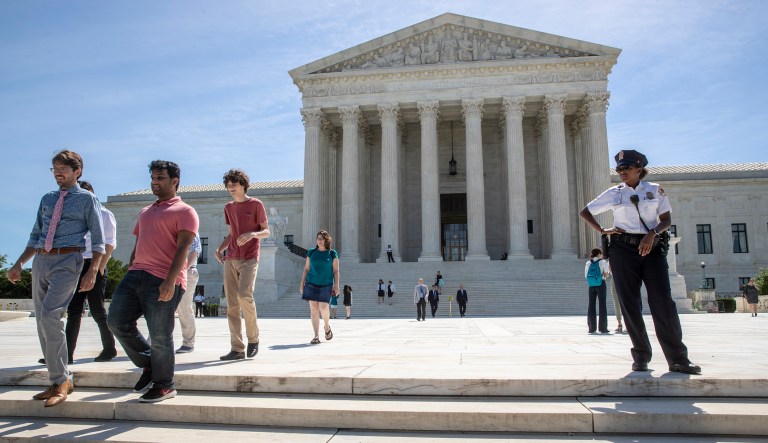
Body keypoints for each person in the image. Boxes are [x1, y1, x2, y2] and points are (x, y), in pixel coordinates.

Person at [580, 149, 701, 375]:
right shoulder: (614, 193)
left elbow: (666, 220)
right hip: (623, 250)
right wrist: (602, 230)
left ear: (639, 169)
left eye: (626, 168)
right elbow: (585, 211)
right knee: (630, 304)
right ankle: (641, 356)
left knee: (663, 303)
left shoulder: (655, 190)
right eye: (619, 169)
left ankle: (678, 359)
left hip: (651, 249)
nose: (622, 173)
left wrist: (652, 233)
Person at [7, 150, 105, 407]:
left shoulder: (87, 200)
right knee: (42, 320)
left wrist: (93, 269)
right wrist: (19, 263)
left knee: (51, 315)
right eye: (54, 169)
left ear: (77, 171)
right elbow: (36, 233)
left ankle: (62, 379)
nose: (58, 173)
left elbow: (98, 238)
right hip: (41, 259)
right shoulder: (47, 198)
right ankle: (56, 380)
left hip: (68, 260)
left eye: (63, 168)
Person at [107, 160, 198, 403]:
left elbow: (183, 248)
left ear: (174, 181)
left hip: (163, 277)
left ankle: (164, 384)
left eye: (160, 178)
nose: (154, 182)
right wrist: (130, 268)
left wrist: (170, 280)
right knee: (116, 321)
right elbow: (139, 244)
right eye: (153, 178)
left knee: (160, 334)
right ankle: (150, 364)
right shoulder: (145, 211)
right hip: (135, 275)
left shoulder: (186, 211)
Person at [215, 169, 269, 361]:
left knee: (244, 295)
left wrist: (252, 234)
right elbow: (231, 234)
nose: (230, 188)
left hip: (250, 257)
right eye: (228, 185)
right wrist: (219, 249)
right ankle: (236, 348)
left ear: (243, 185)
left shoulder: (256, 204)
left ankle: (253, 339)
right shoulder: (228, 207)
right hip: (231, 257)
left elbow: (266, 231)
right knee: (231, 305)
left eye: (234, 184)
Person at [62, 180, 117, 364]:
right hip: (74, 263)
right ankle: (66, 354)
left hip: (94, 263)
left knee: (97, 309)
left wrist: (99, 267)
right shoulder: (72, 214)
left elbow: (109, 242)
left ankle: (109, 349)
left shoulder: (104, 214)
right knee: (74, 309)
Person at [299, 230, 339, 344]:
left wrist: (336, 285)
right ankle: (316, 335)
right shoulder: (311, 252)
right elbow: (306, 268)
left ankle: (327, 327)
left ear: (327, 240)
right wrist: (302, 283)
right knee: (313, 309)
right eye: (318, 238)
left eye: (322, 238)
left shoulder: (332, 253)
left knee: (324, 308)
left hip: (326, 283)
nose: (320, 240)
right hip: (311, 283)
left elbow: (336, 270)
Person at [175, 234, 202, 354]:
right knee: (160, 306)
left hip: (187, 271)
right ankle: (154, 341)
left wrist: (182, 271)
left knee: (183, 307)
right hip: (168, 269)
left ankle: (188, 343)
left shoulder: (190, 224)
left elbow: (195, 250)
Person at [585, 248, 610, 334]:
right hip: (601, 284)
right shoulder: (603, 262)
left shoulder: (588, 263)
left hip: (591, 285)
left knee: (591, 305)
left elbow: (586, 275)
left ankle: (591, 328)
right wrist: (604, 276)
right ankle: (603, 328)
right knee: (602, 305)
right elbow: (606, 275)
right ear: (599, 253)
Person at [607, 261, 625, 333]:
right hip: (625, 278)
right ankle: (628, 325)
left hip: (615, 278)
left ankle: (619, 325)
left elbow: (610, 269)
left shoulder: (612, 258)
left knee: (616, 302)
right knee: (627, 302)